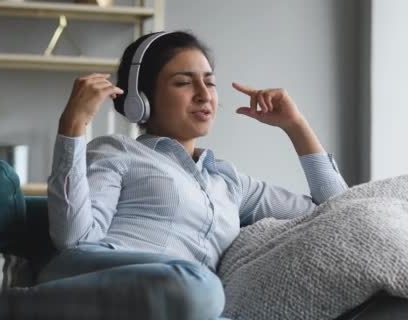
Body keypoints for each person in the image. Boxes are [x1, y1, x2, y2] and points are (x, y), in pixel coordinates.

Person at [35, 30, 348, 319]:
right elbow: (75, 239)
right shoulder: (117, 151)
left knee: (204, 293)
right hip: (98, 283)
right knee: (201, 287)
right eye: (183, 82)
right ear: (140, 101)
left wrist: (296, 126)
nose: (203, 94)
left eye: (209, 82)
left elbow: (338, 210)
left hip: (181, 305)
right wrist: (73, 126)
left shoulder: (229, 181)